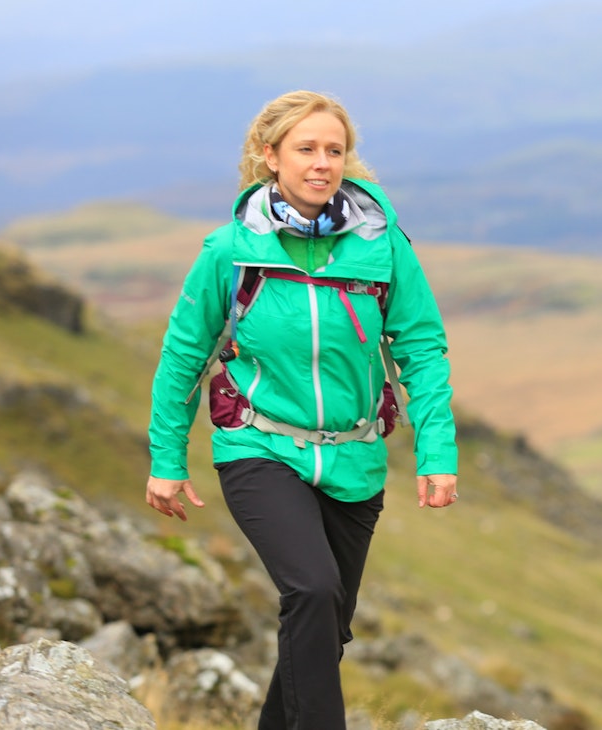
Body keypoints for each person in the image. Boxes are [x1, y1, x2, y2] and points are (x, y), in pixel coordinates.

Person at [145, 89, 458, 729]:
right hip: (259, 446)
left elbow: (422, 350)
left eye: (334, 150)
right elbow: (182, 358)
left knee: (326, 628)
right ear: (270, 158)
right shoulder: (228, 251)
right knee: (311, 590)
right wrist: (166, 458)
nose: (322, 163)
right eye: (306, 149)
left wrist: (437, 454)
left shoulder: (383, 247)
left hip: (355, 457)